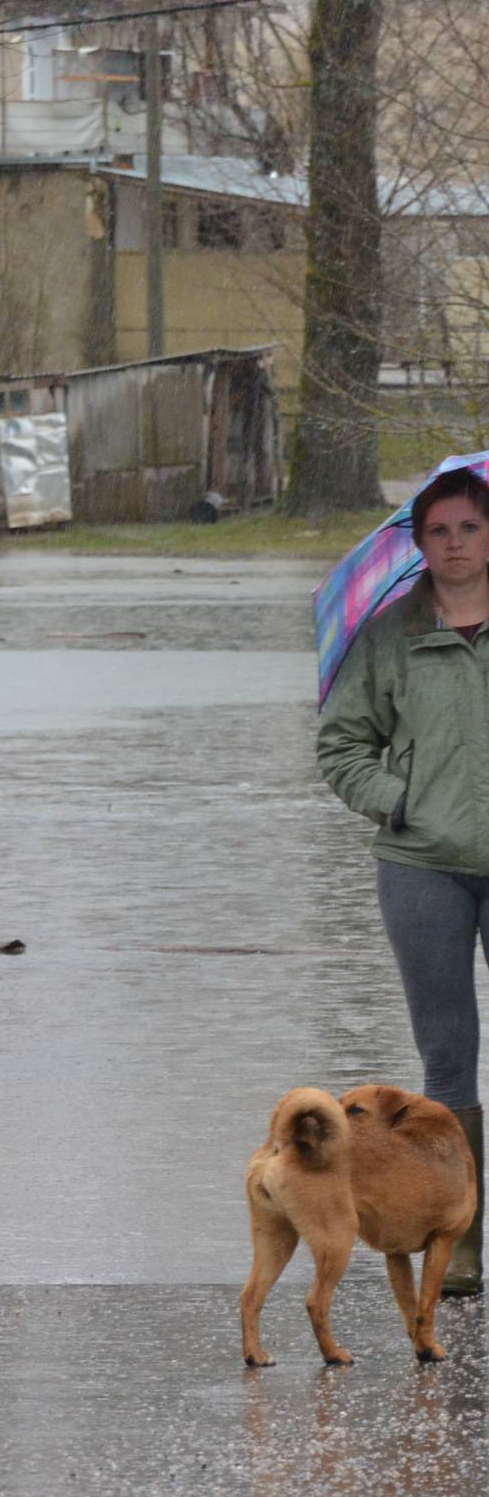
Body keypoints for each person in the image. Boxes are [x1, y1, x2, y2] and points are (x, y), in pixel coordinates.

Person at [319, 466, 489, 1294]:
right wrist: (400, 801)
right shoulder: (390, 636)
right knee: (449, 1060)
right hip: (423, 869)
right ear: (418, 546)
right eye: (439, 532)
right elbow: (340, 747)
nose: (455, 544)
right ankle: (463, 1246)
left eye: (469, 528)